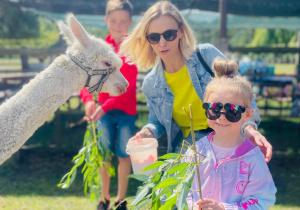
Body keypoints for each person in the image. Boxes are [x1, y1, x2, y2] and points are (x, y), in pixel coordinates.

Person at [120, 1, 272, 161]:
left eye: (169, 34)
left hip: (227, 133)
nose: (162, 43)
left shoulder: (205, 56)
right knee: (173, 185)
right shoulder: (151, 84)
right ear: (147, 40)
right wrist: (146, 133)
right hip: (191, 143)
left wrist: (249, 128)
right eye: (154, 37)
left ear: (180, 32)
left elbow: (242, 92)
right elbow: (156, 122)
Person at [184, 58, 276, 209]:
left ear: (248, 115)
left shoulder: (253, 159)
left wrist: (224, 208)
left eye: (232, 111)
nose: (221, 116)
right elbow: (182, 189)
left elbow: (261, 200)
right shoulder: (195, 151)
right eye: (214, 108)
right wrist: (192, 206)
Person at [79, 0, 138, 209]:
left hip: (124, 112)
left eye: (123, 22)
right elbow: (85, 79)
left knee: (123, 155)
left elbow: (126, 87)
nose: (118, 25)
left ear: (130, 23)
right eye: (113, 20)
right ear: (106, 21)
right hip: (103, 113)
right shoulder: (98, 49)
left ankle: (121, 200)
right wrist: (88, 102)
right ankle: (104, 198)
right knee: (103, 155)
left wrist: (105, 106)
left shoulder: (130, 51)